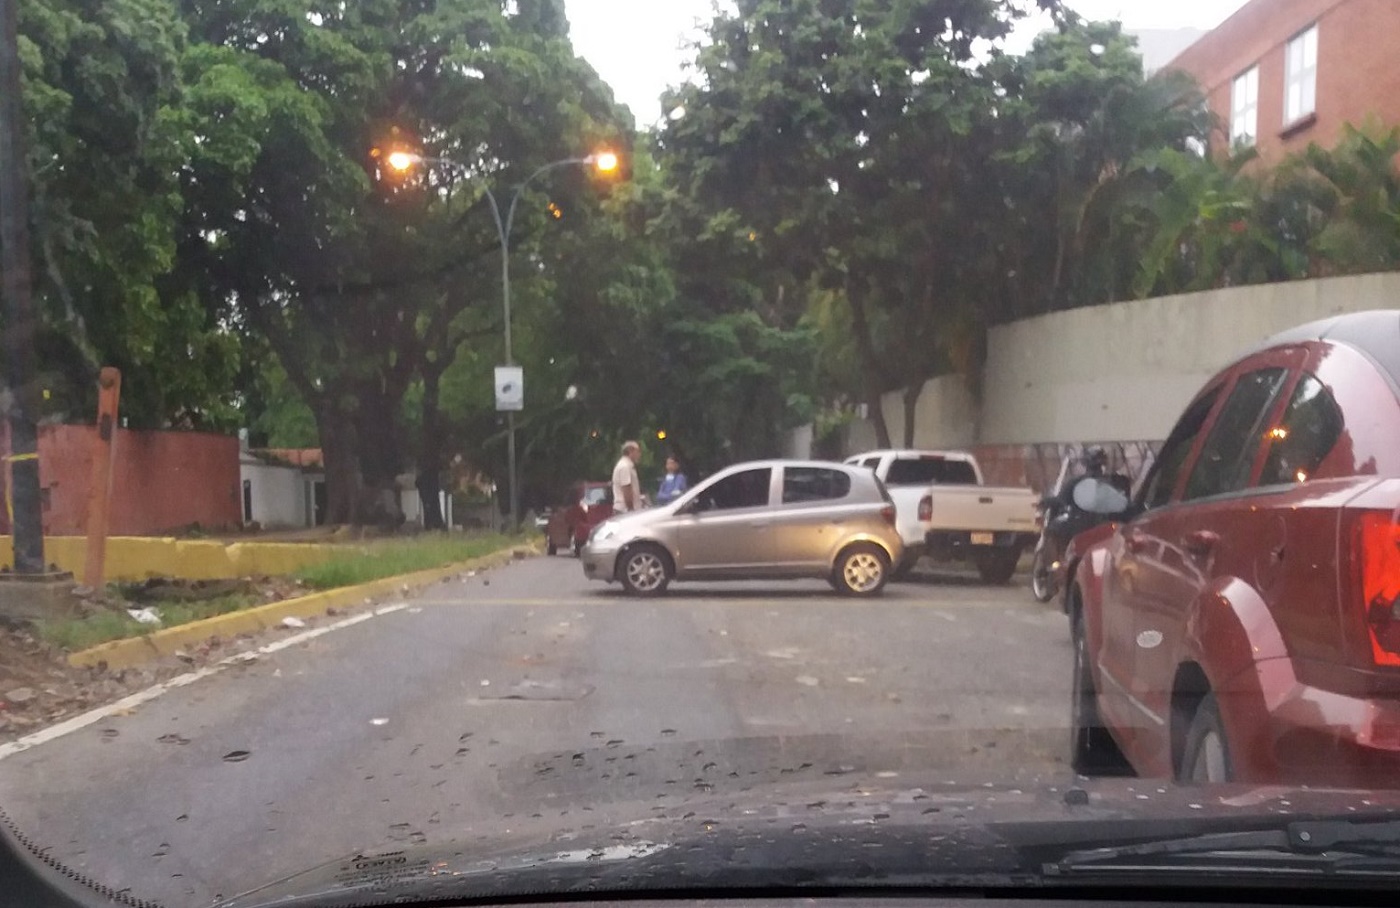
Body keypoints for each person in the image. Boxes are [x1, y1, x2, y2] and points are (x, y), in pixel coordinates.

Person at [611, 441, 643, 513]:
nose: (639, 455)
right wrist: (631, 510)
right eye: (638, 451)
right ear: (630, 451)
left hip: (624, 509)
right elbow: (626, 489)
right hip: (625, 510)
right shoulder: (625, 467)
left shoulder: (626, 465)